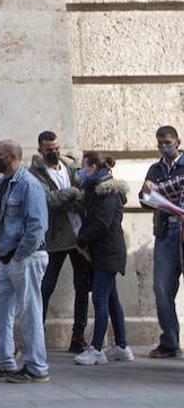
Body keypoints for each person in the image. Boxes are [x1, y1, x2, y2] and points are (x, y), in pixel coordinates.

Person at [0, 139, 50, 383]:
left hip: (25, 257)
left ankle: (36, 367)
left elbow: (37, 224)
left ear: (12, 158)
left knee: (29, 311)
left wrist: (20, 254)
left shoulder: (29, 184)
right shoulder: (1, 183)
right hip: (6, 257)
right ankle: (4, 360)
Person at [29, 130, 88, 353]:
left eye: (56, 148)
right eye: (48, 149)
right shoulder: (35, 173)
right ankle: (38, 337)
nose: (53, 152)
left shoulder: (70, 167)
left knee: (82, 287)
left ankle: (78, 338)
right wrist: (72, 192)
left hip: (79, 235)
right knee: (45, 288)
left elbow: (85, 195)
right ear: (40, 150)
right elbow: (47, 201)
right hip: (54, 238)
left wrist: (71, 196)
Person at [74, 152, 133, 366]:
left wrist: (81, 241)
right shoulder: (96, 191)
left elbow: (102, 223)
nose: (81, 171)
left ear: (92, 167)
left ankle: (97, 349)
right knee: (110, 298)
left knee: (99, 298)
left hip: (108, 251)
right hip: (104, 250)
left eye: (83, 167)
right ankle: (122, 346)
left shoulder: (107, 193)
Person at [143, 124, 184, 359]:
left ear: (177, 142)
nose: (164, 147)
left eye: (168, 143)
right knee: (161, 288)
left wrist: (159, 191)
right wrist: (150, 195)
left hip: (182, 230)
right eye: (160, 143)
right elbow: (143, 197)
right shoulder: (155, 168)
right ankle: (169, 341)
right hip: (165, 232)